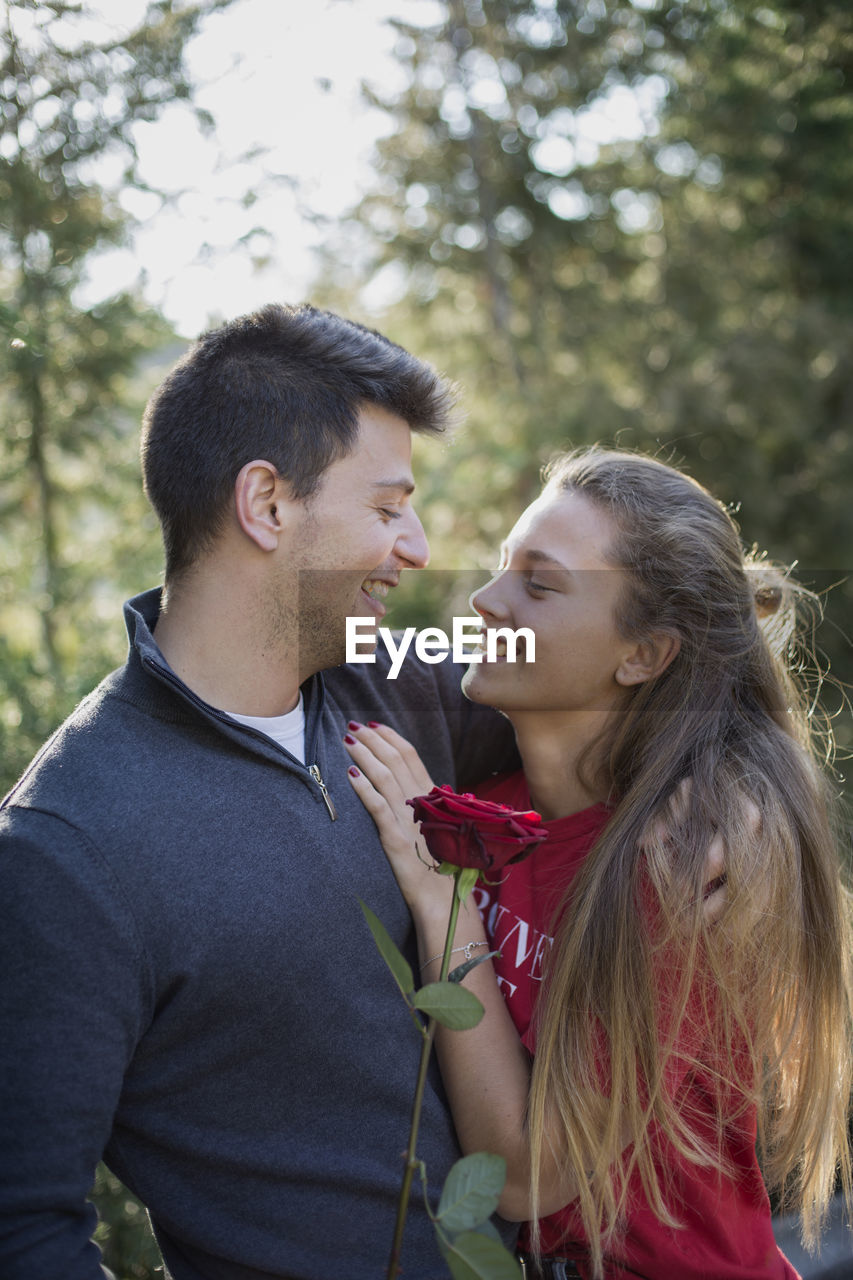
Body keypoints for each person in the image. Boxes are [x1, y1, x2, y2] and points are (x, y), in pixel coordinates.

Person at [0, 303, 520, 1279]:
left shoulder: (388, 671)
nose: (415, 545)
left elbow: (600, 678)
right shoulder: (67, 847)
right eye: (385, 506)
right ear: (267, 505)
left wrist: (717, 803)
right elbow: (21, 1228)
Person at [344, 446, 853, 1280]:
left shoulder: (690, 866)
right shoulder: (488, 801)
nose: (483, 599)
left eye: (538, 585)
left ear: (644, 655)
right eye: (504, 566)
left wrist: (445, 904)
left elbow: (524, 1178)